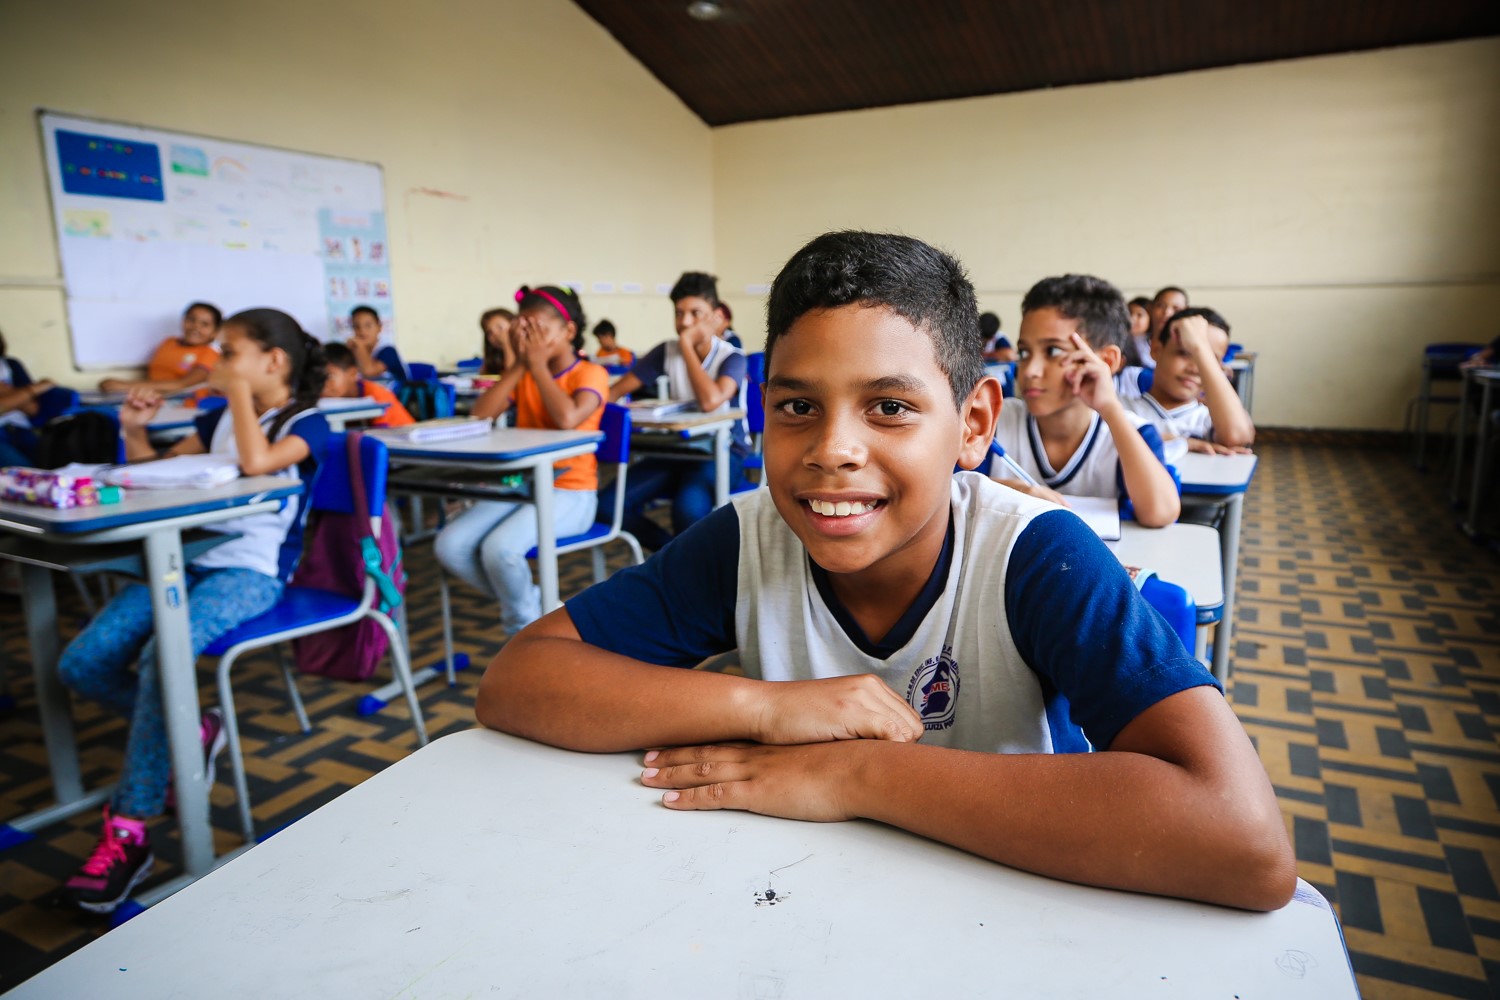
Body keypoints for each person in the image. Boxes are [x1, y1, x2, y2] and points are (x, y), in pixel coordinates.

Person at [475, 231, 1295, 912]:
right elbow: (519, 680)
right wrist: (765, 707)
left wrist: (859, 770)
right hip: (801, 902)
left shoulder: (1032, 552)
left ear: (973, 424)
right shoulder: (748, 539)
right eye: (797, 407)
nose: (832, 449)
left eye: (891, 407)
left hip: (1013, 905)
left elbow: (1246, 843)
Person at [56, 308, 329, 914]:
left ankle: (129, 830)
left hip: (250, 573)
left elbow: (259, 463)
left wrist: (235, 398)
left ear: (273, 362)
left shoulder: (308, 422)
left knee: (163, 659)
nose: (216, 365)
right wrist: (133, 430)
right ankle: (195, 728)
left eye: (229, 353)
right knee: (84, 662)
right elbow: (150, 472)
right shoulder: (218, 418)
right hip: (183, 560)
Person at [434, 286, 607, 634]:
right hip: (522, 488)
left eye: (537, 329)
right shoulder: (525, 373)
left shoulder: (590, 374)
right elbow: (480, 415)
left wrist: (538, 366)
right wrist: (518, 365)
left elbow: (567, 419)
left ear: (568, 332)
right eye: (521, 330)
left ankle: (523, 633)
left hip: (571, 493)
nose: (527, 338)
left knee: (500, 550)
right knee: (449, 545)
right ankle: (541, 609)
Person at [990, 275, 1180, 527]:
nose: (1030, 370)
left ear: (1107, 361)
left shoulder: (1132, 433)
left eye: (1054, 351)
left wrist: (1110, 408)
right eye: (1024, 352)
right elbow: (941, 488)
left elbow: (1160, 513)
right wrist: (1004, 494)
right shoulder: (991, 423)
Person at [608, 272, 750, 550]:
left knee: (687, 510)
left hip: (722, 452)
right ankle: (670, 557)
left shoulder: (732, 356)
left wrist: (686, 345)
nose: (684, 322)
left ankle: (684, 566)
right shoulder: (665, 352)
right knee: (606, 506)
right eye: (679, 313)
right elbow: (613, 394)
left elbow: (710, 401)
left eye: (695, 313)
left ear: (715, 316)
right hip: (676, 450)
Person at [1124, 308, 1254, 457]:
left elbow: (1237, 436)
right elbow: (1110, 432)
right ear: (1156, 349)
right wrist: (1186, 442)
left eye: (1208, 359)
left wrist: (1201, 348)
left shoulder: (1208, 421)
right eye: (1185, 353)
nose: (1195, 369)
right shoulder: (1120, 407)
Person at [99, 302, 222, 396]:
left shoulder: (210, 353)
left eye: (204, 324)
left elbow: (182, 385)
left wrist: (125, 385)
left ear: (215, 332)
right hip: (152, 396)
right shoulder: (169, 343)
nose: (195, 327)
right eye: (191, 319)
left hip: (182, 404)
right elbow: (155, 377)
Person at [322, 342, 415, 428]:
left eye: (330, 376)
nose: (323, 383)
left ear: (352, 373)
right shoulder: (329, 400)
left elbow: (381, 440)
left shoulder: (376, 396)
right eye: (318, 377)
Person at [0, 329, 55, 467]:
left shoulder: (11, 365)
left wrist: (7, 394)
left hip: (21, 429)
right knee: (24, 471)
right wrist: (34, 389)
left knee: (54, 463)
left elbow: (33, 409)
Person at [347, 305, 407, 381]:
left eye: (368, 326)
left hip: (394, 392)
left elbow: (368, 371)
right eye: (356, 326)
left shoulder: (388, 351)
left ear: (379, 327)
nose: (362, 331)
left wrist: (360, 347)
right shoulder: (355, 351)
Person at [480, 308, 516, 375]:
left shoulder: (529, 352)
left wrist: (506, 344)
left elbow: (512, 376)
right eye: (489, 332)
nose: (495, 335)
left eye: (500, 328)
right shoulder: (493, 358)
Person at [1123, 296, 1153, 369]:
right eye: (1129, 313)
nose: (1131, 319)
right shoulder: (1121, 341)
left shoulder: (1154, 342)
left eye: (1139, 315)